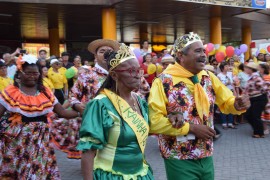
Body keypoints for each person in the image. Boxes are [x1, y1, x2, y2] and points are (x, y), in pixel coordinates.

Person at [148, 32, 250, 180]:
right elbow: (154, 121)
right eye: (197, 51)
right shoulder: (163, 81)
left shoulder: (208, 77)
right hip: (178, 157)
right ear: (181, 55)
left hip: (206, 153)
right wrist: (191, 128)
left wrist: (237, 104)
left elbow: (227, 101)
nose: (203, 55)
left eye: (203, 50)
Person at [77, 43, 154, 180]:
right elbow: (88, 152)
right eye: (131, 71)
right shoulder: (100, 104)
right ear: (113, 75)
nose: (137, 75)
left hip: (140, 174)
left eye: (139, 70)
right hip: (110, 175)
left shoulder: (139, 101)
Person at [0, 54, 80, 179]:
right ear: (20, 73)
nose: (32, 76)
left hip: (40, 143)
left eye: (35, 73)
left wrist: (82, 111)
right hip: (18, 142)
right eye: (28, 73)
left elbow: (62, 112)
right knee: (20, 172)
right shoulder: (11, 91)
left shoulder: (45, 92)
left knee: (39, 171)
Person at [244, 62, 268, 138]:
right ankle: (257, 130)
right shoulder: (251, 77)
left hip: (259, 98)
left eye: (247, 68)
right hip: (254, 99)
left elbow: (264, 88)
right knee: (248, 115)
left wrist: (255, 92)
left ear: (251, 69)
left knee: (255, 116)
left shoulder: (256, 77)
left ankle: (259, 133)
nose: (245, 69)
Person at [217, 62, 236, 129]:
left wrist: (235, 92)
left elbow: (234, 83)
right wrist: (226, 83)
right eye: (226, 66)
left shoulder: (230, 74)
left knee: (231, 106)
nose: (228, 67)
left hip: (230, 92)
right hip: (223, 93)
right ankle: (224, 123)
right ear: (222, 68)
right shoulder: (219, 75)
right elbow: (219, 86)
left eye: (228, 66)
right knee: (224, 107)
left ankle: (230, 122)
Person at [258, 63, 270, 134]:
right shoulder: (265, 77)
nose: (258, 69)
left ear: (263, 69)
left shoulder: (266, 78)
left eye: (259, 68)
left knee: (264, 113)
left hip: (266, 97)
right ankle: (265, 129)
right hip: (265, 97)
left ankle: (265, 129)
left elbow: (264, 89)